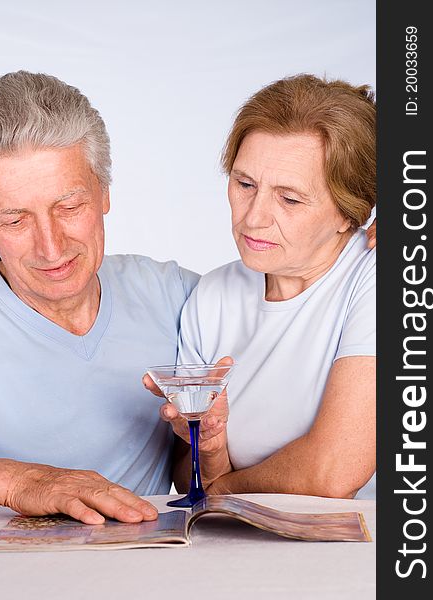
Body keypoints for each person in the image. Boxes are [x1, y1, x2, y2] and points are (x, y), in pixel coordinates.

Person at [0, 71, 200, 523]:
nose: (51, 248)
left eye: (69, 207)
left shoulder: (176, 296)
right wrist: (17, 482)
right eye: (15, 220)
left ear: (104, 193)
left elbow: (303, 291)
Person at [145, 74, 376, 500]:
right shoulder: (214, 295)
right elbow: (185, 475)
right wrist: (210, 448)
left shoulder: (380, 276)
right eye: (244, 184)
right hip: (247, 552)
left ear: (350, 212)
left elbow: (332, 473)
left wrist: (220, 489)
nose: (253, 218)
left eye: (289, 199)